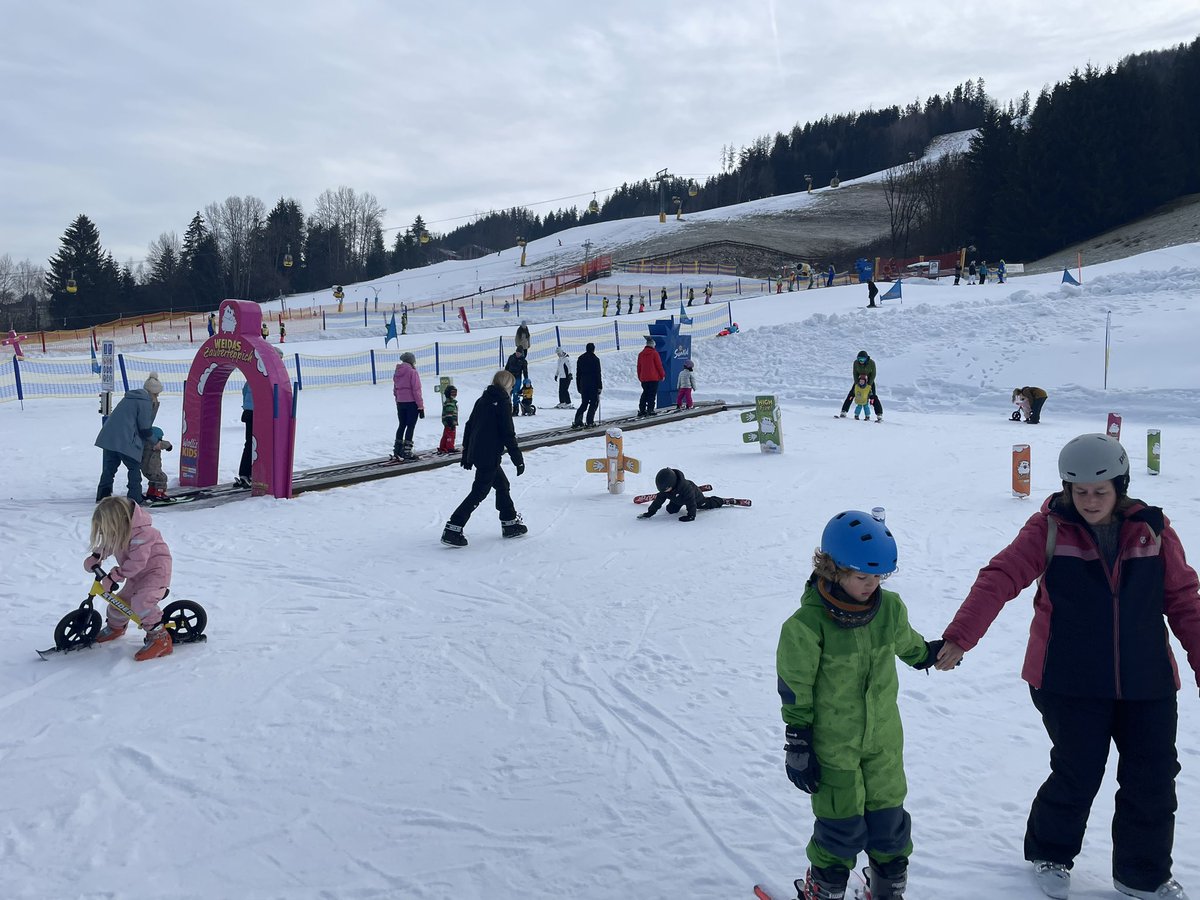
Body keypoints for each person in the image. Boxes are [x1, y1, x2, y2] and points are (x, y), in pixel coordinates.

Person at [935, 434, 1200, 900]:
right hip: (1067, 678)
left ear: (1120, 486)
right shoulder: (1049, 530)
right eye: (1080, 492)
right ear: (1066, 489)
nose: (1090, 501)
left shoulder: (1153, 531)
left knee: (1153, 775)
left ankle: (1143, 874)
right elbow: (1000, 577)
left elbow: (1184, 602)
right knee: (1078, 769)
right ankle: (1050, 852)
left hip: (1147, 679)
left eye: (1101, 491)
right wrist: (961, 637)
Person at [777, 509, 944, 900]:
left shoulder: (890, 609)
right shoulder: (805, 626)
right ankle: (825, 889)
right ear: (832, 569)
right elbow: (795, 687)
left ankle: (888, 888)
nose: (871, 585)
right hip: (834, 747)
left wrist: (926, 655)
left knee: (890, 822)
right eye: (861, 576)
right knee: (841, 824)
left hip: (884, 740)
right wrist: (798, 741)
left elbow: (906, 643)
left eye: (878, 577)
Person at [440, 370, 527, 547]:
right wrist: (518, 459)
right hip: (488, 455)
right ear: (507, 385)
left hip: (480, 452)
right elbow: (508, 434)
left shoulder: (483, 399)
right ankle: (453, 527)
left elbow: (469, 425)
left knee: (502, 485)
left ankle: (509, 522)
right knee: (479, 491)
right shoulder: (502, 402)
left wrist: (467, 453)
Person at [83, 496, 175, 661]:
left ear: (120, 522)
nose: (106, 533)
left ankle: (161, 638)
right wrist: (97, 556)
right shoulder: (123, 531)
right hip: (136, 575)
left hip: (155, 573)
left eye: (108, 529)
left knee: (142, 602)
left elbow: (137, 562)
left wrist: (114, 576)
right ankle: (116, 628)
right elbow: (110, 544)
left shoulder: (145, 534)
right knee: (119, 603)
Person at [95, 372, 160, 505]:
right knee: (134, 468)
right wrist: (156, 442)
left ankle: (102, 496)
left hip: (109, 437)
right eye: (157, 394)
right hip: (125, 440)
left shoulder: (130, 398)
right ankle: (135, 498)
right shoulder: (145, 402)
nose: (157, 397)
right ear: (153, 393)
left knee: (109, 469)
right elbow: (145, 428)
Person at [637, 468, 728, 521]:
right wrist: (650, 513)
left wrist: (691, 516)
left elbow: (691, 503)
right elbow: (658, 501)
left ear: (672, 484)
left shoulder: (686, 489)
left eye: (666, 490)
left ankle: (722, 500)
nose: (665, 492)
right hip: (678, 498)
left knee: (704, 505)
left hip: (694, 497)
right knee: (671, 510)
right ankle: (695, 490)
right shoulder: (667, 490)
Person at [391, 351, 425, 461]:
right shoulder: (412, 372)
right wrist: (420, 406)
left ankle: (397, 449)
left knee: (401, 425)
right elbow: (416, 390)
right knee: (410, 426)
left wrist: (397, 401)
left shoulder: (397, 372)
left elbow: (395, 389)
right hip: (411, 403)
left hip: (400, 403)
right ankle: (407, 451)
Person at [839, 350, 883, 422]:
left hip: (869, 381)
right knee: (851, 394)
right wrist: (857, 383)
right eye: (859, 359)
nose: (861, 361)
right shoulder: (856, 363)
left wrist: (869, 384)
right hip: (859, 381)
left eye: (863, 359)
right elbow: (855, 373)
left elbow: (873, 374)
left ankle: (879, 414)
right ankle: (844, 411)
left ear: (866, 359)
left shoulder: (871, 363)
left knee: (873, 396)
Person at [573, 342, 602, 429]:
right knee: (594, 403)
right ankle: (589, 421)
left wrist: (578, 386)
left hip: (583, 384)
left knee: (584, 403)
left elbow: (578, 374)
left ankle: (577, 421)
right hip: (593, 385)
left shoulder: (580, 358)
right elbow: (598, 374)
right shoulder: (596, 359)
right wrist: (600, 386)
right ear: (593, 349)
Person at [141, 426, 173, 502]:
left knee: (153, 480)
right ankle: (159, 494)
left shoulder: (144, 443)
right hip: (153, 468)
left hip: (145, 469)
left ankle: (151, 493)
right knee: (162, 478)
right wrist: (169, 446)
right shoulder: (154, 444)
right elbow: (165, 444)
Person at [636, 335, 665, 418]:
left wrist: (640, 376)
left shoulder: (641, 354)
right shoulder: (654, 353)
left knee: (645, 393)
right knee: (652, 394)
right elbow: (659, 365)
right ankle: (650, 409)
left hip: (644, 378)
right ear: (652, 345)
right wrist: (662, 375)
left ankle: (642, 410)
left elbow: (639, 366)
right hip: (653, 378)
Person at [236, 381, 254, 488]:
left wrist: (246, 406)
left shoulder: (250, 380)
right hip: (259, 412)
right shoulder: (264, 377)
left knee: (249, 443)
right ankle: (250, 473)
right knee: (256, 444)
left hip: (248, 412)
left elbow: (244, 391)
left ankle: (244, 473)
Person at [504, 346, 528, 415]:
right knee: (508, 393)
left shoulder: (523, 361)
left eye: (519, 353)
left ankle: (515, 409)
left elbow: (525, 371)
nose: (517, 354)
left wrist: (526, 379)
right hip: (510, 378)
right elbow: (507, 367)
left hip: (517, 378)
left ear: (522, 353)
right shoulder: (511, 358)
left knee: (515, 393)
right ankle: (508, 408)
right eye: (517, 352)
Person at [437, 385, 459, 454]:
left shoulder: (450, 402)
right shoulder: (450, 402)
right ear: (448, 394)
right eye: (452, 393)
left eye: (455, 393)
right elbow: (449, 413)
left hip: (447, 423)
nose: (454, 395)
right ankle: (450, 447)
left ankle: (442, 446)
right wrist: (451, 423)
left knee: (446, 435)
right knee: (451, 435)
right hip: (450, 423)